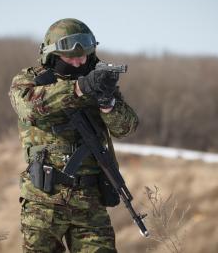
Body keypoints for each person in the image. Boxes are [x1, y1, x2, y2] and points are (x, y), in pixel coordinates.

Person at [9, 18, 139, 253]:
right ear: (53, 55)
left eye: (84, 56)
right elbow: (28, 107)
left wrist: (107, 103)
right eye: (72, 57)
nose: (80, 62)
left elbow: (126, 128)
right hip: (44, 200)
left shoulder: (97, 79)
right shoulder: (29, 80)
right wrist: (79, 88)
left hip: (90, 200)